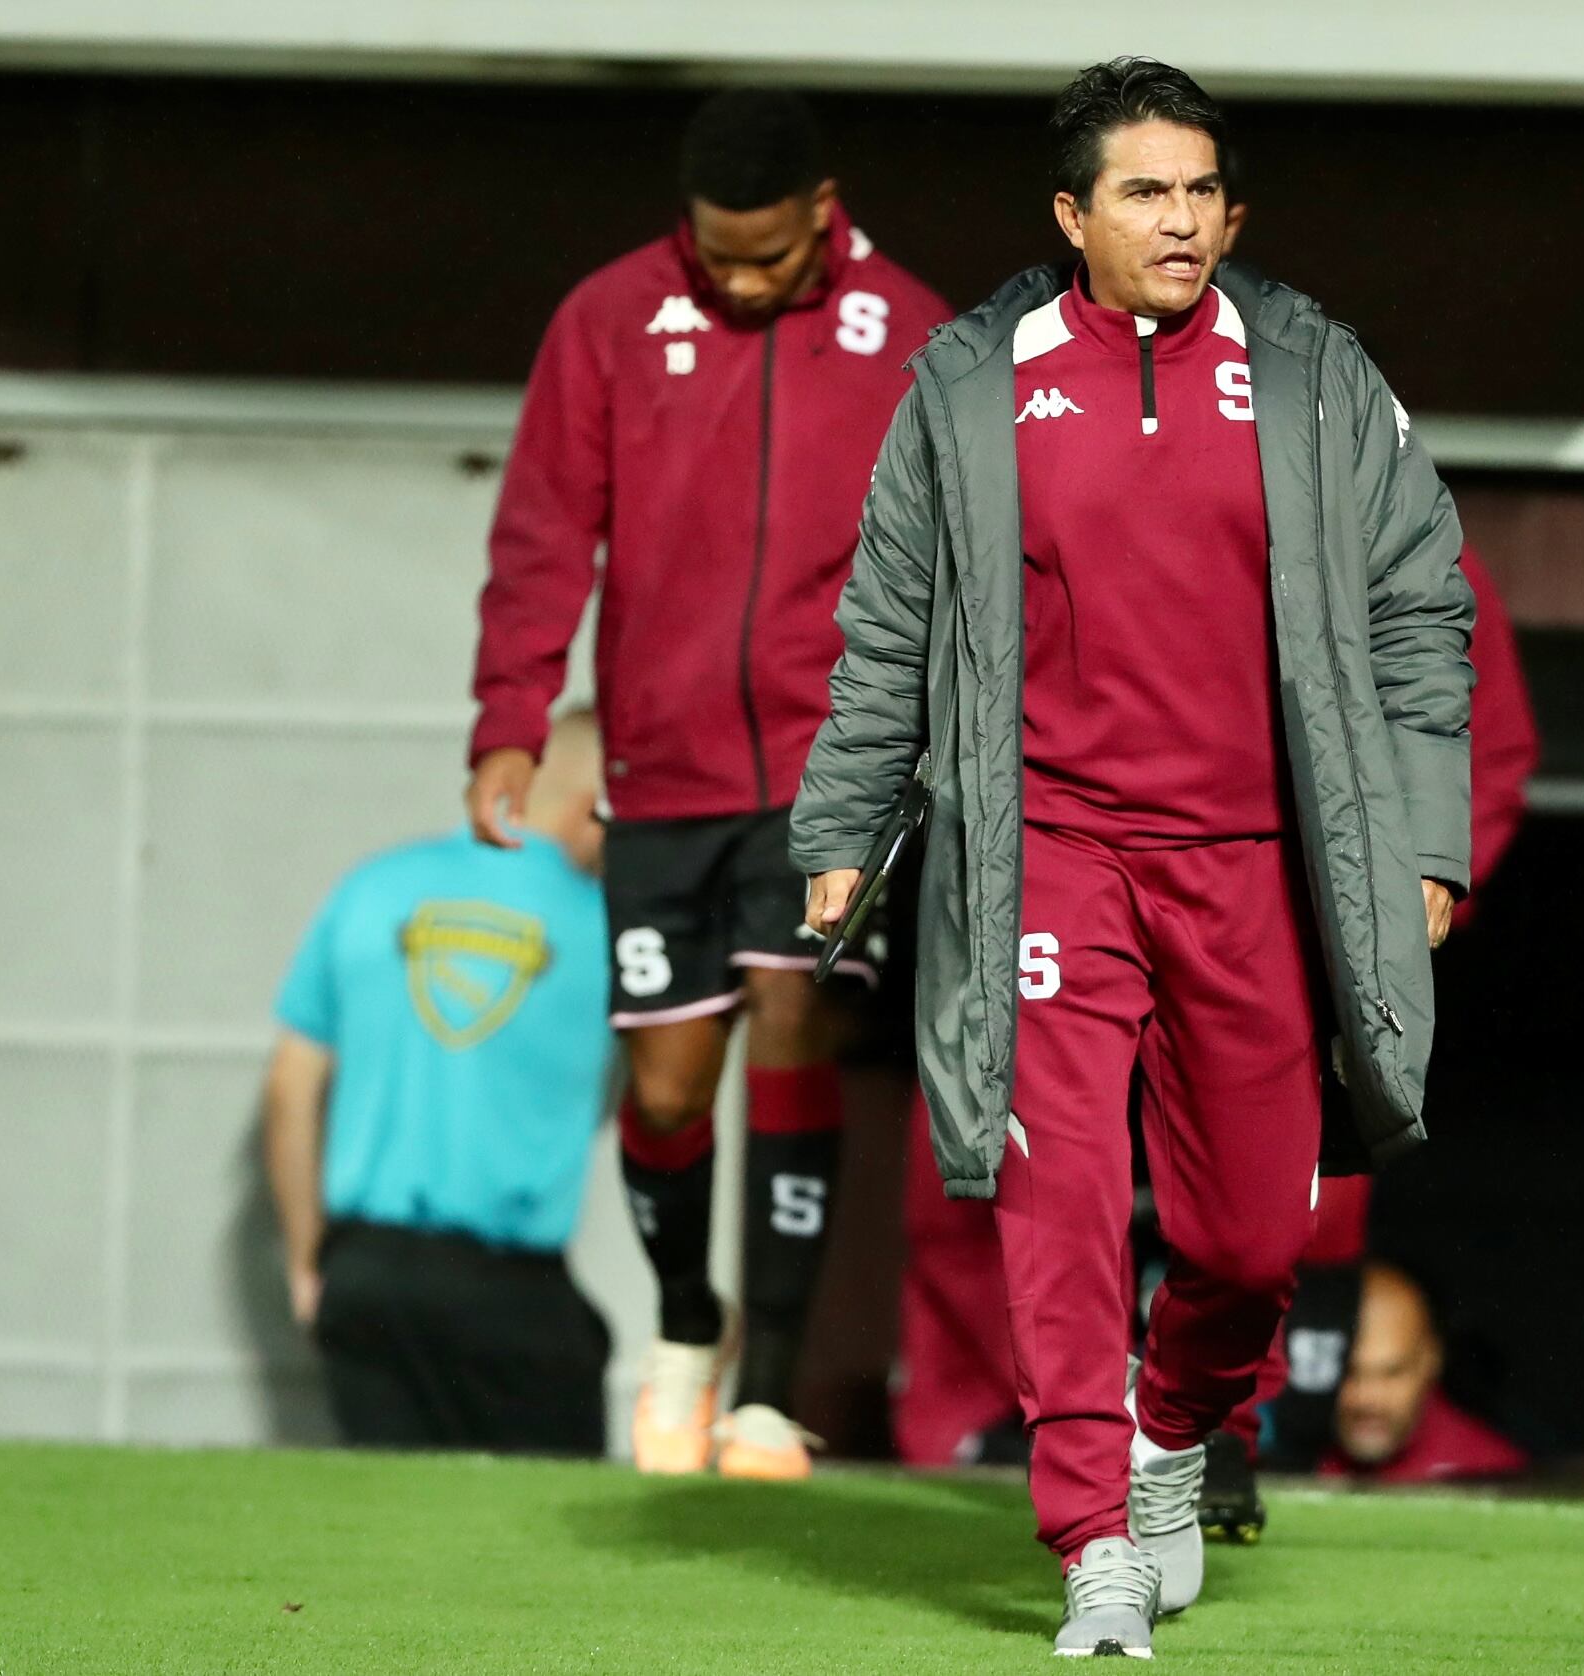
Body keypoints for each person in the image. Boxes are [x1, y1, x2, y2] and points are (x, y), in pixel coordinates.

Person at [793, 57, 1474, 1657]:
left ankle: (1172, 1432)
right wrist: (844, 828)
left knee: (1249, 1238)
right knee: (1060, 1197)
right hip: (1053, 857)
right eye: (1144, 194)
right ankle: (1090, 1534)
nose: (1181, 222)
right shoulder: (970, 383)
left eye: (1201, 193)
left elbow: (1415, 602)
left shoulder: (1310, 373)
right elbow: (888, 621)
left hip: (1252, 862)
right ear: (1071, 215)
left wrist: (1425, 833)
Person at [463, 88, 947, 1479]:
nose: (741, 279)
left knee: (794, 1029)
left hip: (830, 770)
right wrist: (508, 715)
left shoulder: (914, 332)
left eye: (769, 255)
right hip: (661, 771)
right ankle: (690, 1331)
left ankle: (771, 1398)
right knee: (670, 1089)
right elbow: (546, 526)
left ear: (823, 211)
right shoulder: (608, 318)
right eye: (716, 252)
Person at [888, 544, 1538, 1506]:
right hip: (1070, 886)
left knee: (1272, 1209)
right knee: (1012, 1162)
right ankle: (1013, 1428)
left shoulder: (1357, 488)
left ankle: (1231, 1430)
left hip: (1264, 911)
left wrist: (1392, 909)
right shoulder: (1046, 443)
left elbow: (1475, 733)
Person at [263, 711, 616, 1455]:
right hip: (514, 1297)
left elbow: (290, 1087)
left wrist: (306, 1260)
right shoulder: (614, 931)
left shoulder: (371, 888)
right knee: (549, 1552)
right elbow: (660, 1101)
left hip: (367, 1276)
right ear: (598, 805)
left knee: (389, 1542)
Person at [1321, 1262, 1527, 1485]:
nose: (1368, 1399)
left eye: (1393, 1373)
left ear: (1431, 1360)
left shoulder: (1492, 1472)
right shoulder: (1291, 1459)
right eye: (1349, 1372)